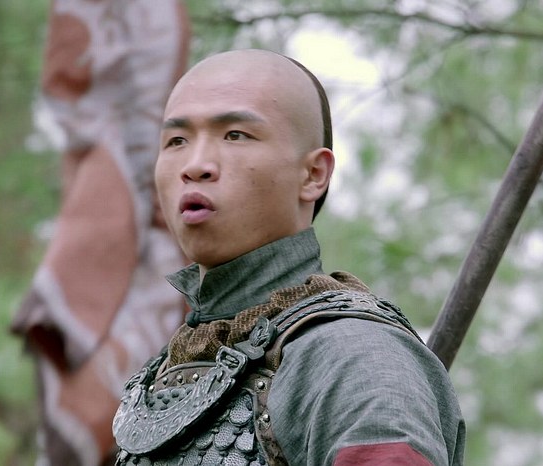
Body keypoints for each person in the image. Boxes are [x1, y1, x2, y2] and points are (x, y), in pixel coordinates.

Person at [111, 49, 466, 466]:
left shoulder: (356, 357)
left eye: (235, 135)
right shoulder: (169, 364)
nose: (195, 165)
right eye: (176, 141)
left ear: (313, 174)